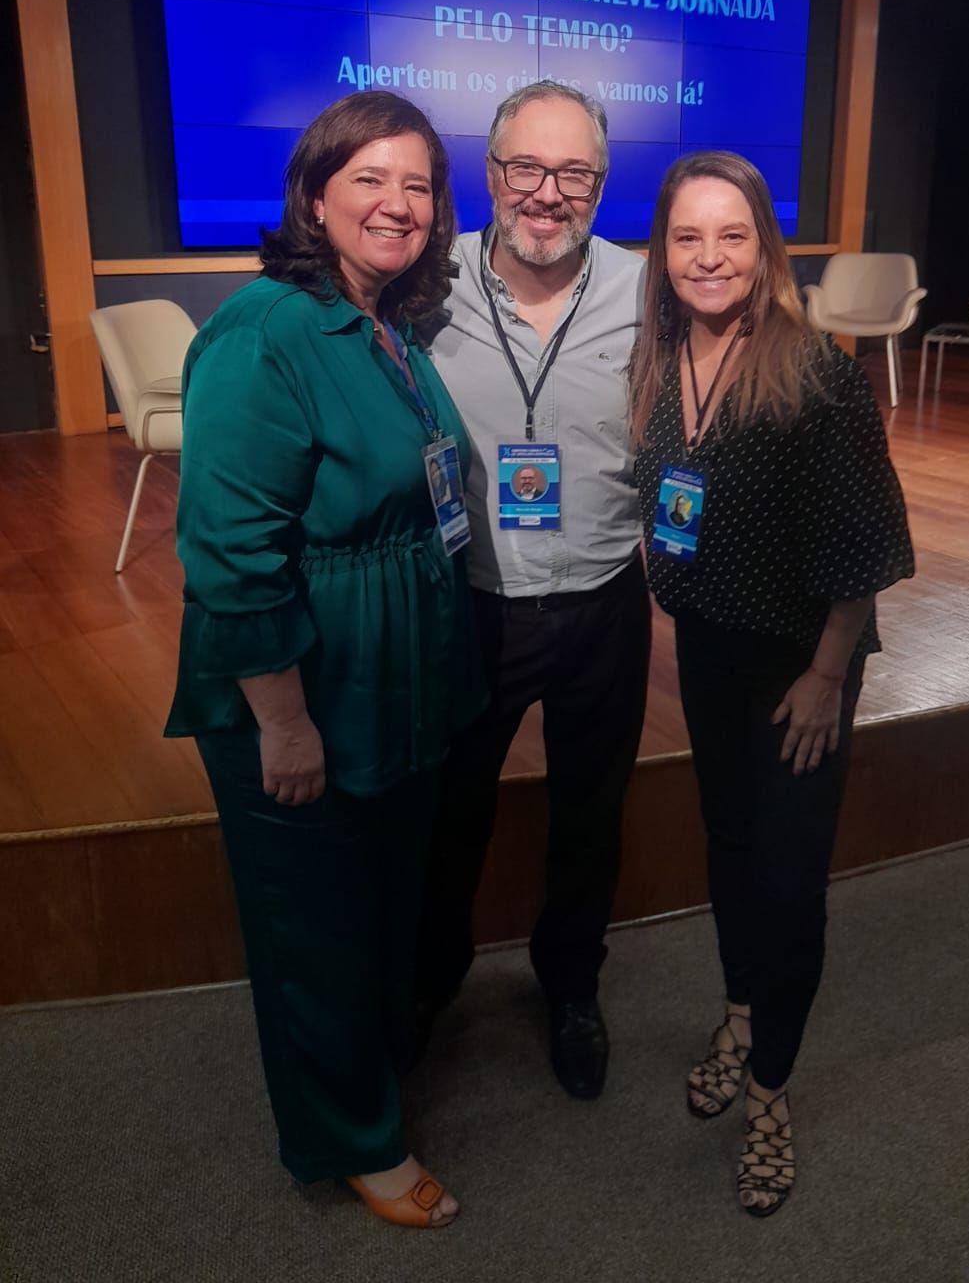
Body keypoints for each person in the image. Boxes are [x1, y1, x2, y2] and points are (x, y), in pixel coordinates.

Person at [165, 92, 485, 1230]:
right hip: (302, 685)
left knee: (378, 904)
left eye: (419, 185)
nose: (399, 204)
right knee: (316, 927)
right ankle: (355, 1140)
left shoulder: (383, 323)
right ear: (312, 197)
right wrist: (285, 723)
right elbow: (230, 556)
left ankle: (372, 1076)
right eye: (369, 179)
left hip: (393, 676)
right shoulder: (262, 334)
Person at [629, 152, 913, 1217]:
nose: (709, 257)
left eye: (732, 235)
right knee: (732, 848)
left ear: (765, 248)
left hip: (802, 666)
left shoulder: (815, 371)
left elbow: (867, 539)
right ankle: (742, 1013)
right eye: (688, 237)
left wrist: (829, 675)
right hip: (709, 646)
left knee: (790, 888)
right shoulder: (659, 356)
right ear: (663, 251)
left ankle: (770, 1092)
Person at [416, 81, 648, 1099]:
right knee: (448, 813)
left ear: (601, 182)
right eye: (527, 168)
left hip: (604, 598)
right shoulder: (423, 283)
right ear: (490, 172)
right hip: (473, 599)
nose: (548, 193)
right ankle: (429, 982)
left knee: (591, 815)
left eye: (575, 173)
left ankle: (571, 984)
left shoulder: (649, 290)